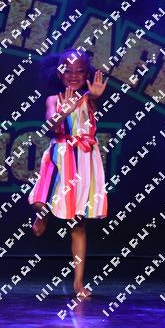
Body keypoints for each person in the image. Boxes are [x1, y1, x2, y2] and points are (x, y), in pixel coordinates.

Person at [28, 48, 108, 297]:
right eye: (68, 70)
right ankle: (43, 215)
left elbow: (91, 101)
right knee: (40, 200)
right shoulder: (53, 99)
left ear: (87, 73)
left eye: (79, 71)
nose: (73, 75)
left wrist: (93, 96)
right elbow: (50, 126)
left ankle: (78, 283)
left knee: (78, 223)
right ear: (59, 73)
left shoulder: (89, 98)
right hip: (61, 155)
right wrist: (63, 112)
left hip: (84, 160)